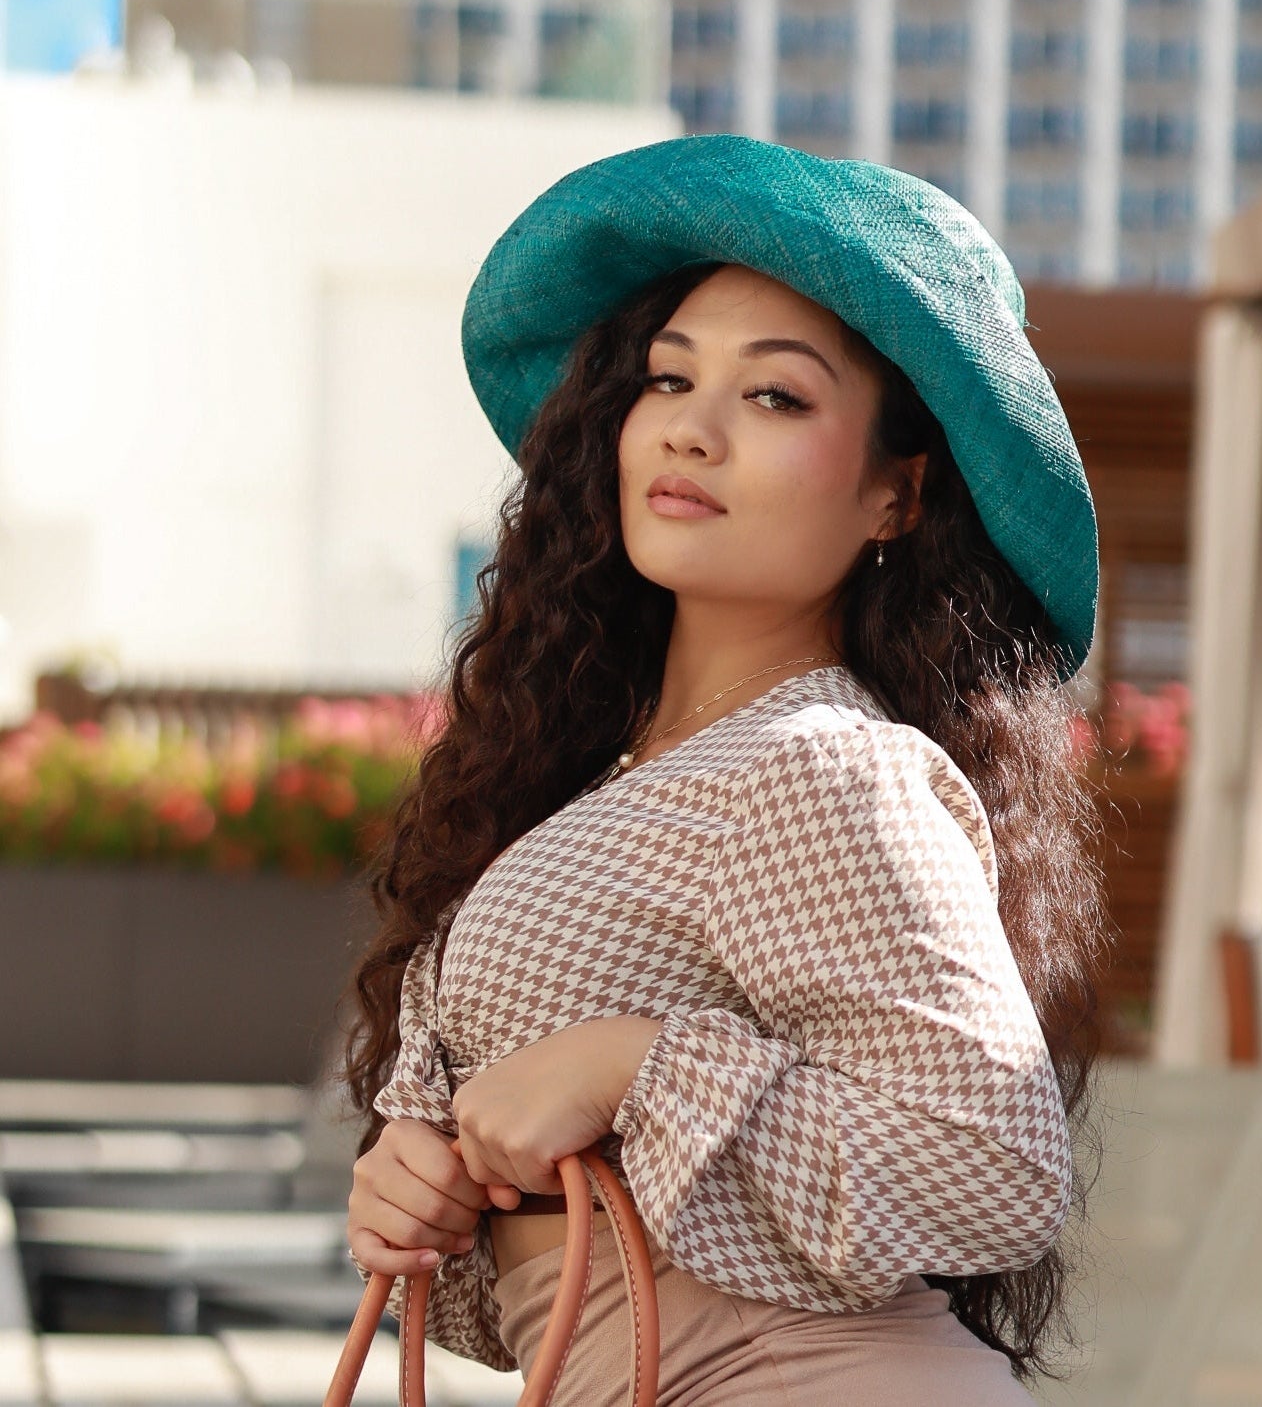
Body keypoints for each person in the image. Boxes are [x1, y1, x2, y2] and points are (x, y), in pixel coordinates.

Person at [342, 134, 1108, 1403]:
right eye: (664, 379)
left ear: (894, 499)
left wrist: (634, 1062)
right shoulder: (618, 772)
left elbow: (992, 1166)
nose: (690, 430)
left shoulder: (826, 768)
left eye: (774, 397)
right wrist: (418, 1183)